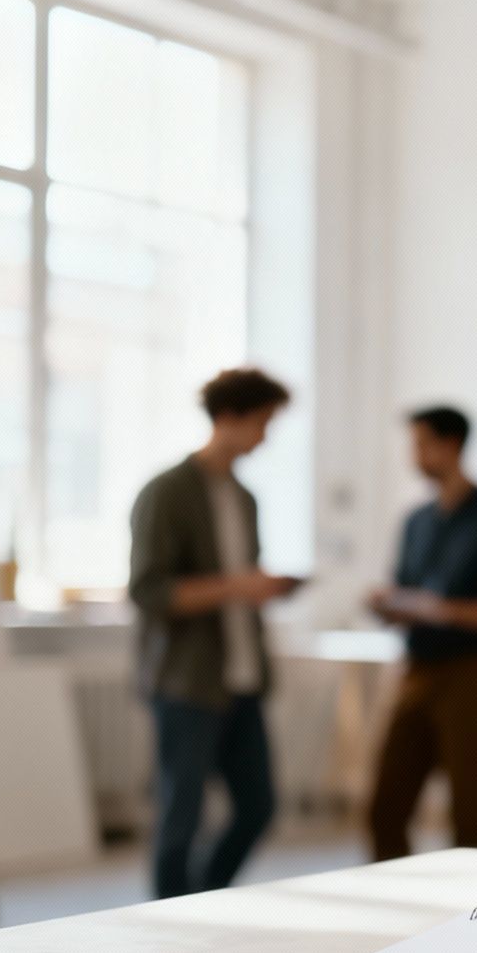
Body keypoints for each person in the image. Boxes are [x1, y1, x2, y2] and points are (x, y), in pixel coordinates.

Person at [128, 369, 301, 898]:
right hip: (187, 682)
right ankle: (167, 920)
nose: (265, 437)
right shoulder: (166, 492)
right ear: (229, 417)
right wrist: (237, 586)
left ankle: (202, 896)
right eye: (262, 422)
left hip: (243, 678)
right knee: (180, 817)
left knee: (259, 805)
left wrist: (261, 589)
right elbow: (150, 592)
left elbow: (240, 586)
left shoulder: (245, 499)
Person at [366, 406, 477, 859]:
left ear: (451, 444)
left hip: (471, 674)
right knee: (385, 805)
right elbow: (405, 590)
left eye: (421, 444)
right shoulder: (416, 521)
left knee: (467, 811)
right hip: (417, 670)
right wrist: (391, 605)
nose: (413, 456)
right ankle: (394, 906)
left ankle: (470, 915)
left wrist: (438, 610)